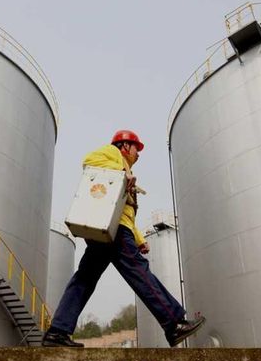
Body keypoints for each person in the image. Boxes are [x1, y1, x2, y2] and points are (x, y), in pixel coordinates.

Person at [43, 130, 205, 347]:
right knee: (139, 271)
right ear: (125, 146)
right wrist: (121, 171)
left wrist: (139, 239)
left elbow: (125, 212)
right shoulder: (113, 153)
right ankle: (174, 323)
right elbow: (89, 160)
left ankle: (57, 332)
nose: (139, 154)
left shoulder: (128, 172)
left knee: (84, 278)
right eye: (136, 148)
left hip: (111, 228)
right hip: (114, 230)